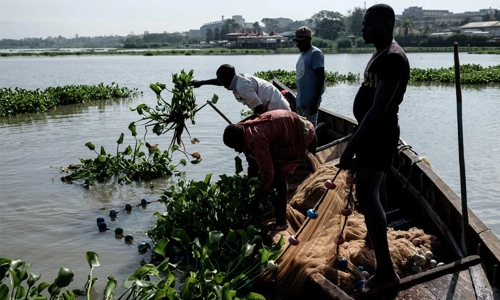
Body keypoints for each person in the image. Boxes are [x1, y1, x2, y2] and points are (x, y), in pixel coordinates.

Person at [338, 4, 410, 296]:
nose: (363, 29)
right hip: (372, 134)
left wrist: (350, 146)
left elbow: (379, 109)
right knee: (370, 195)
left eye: (368, 24)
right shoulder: (383, 52)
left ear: (387, 23)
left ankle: (386, 273)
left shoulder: (392, 58)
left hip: (378, 135)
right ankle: (379, 255)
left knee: (369, 195)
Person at [223, 109, 316, 231]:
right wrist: (248, 185)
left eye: (235, 147)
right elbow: (252, 163)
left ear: (239, 141)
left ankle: (281, 222)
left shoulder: (256, 139)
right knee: (273, 172)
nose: (236, 151)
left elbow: (269, 173)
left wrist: (261, 193)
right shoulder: (244, 130)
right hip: (289, 126)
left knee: (279, 178)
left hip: (302, 132)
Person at [189, 64, 290, 114]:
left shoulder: (243, 86)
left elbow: (259, 109)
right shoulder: (236, 79)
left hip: (278, 110)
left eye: (222, 81)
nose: (221, 83)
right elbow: (219, 82)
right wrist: (201, 83)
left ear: (227, 79)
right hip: (270, 108)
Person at [294, 26, 325, 126]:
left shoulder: (316, 54)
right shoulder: (302, 55)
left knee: (310, 130)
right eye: (297, 41)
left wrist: (315, 102)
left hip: (310, 103)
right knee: (302, 131)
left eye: (300, 41)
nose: (297, 44)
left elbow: (321, 78)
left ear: (308, 40)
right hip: (300, 101)